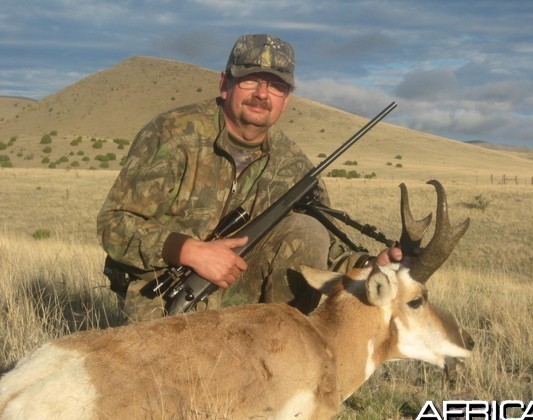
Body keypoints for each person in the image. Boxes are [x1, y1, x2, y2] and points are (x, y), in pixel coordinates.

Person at [98, 33, 401, 323]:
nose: (262, 94)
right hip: (164, 291)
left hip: (241, 290)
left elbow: (326, 249)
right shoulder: (172, 133)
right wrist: (190, 251)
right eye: (251, 79)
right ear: (225, 84)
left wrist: (370, 266)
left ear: (286, 100)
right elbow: (114, 224)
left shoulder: (293, 166)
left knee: (307, 230)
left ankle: (280, 348)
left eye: (276, 86)